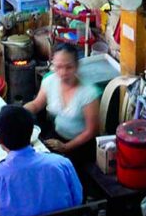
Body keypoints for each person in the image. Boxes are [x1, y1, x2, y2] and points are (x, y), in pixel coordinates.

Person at [24, 43, 101, 173]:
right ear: (53, 64)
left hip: (81, 146)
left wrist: (66, 147)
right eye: (59, 67)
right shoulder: (50, 81)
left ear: (77, 66)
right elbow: (37, 104)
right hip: (56, 136)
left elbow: (91, 131)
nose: (63, 72)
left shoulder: (88, 92)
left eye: (69, 67)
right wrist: (20, 112)